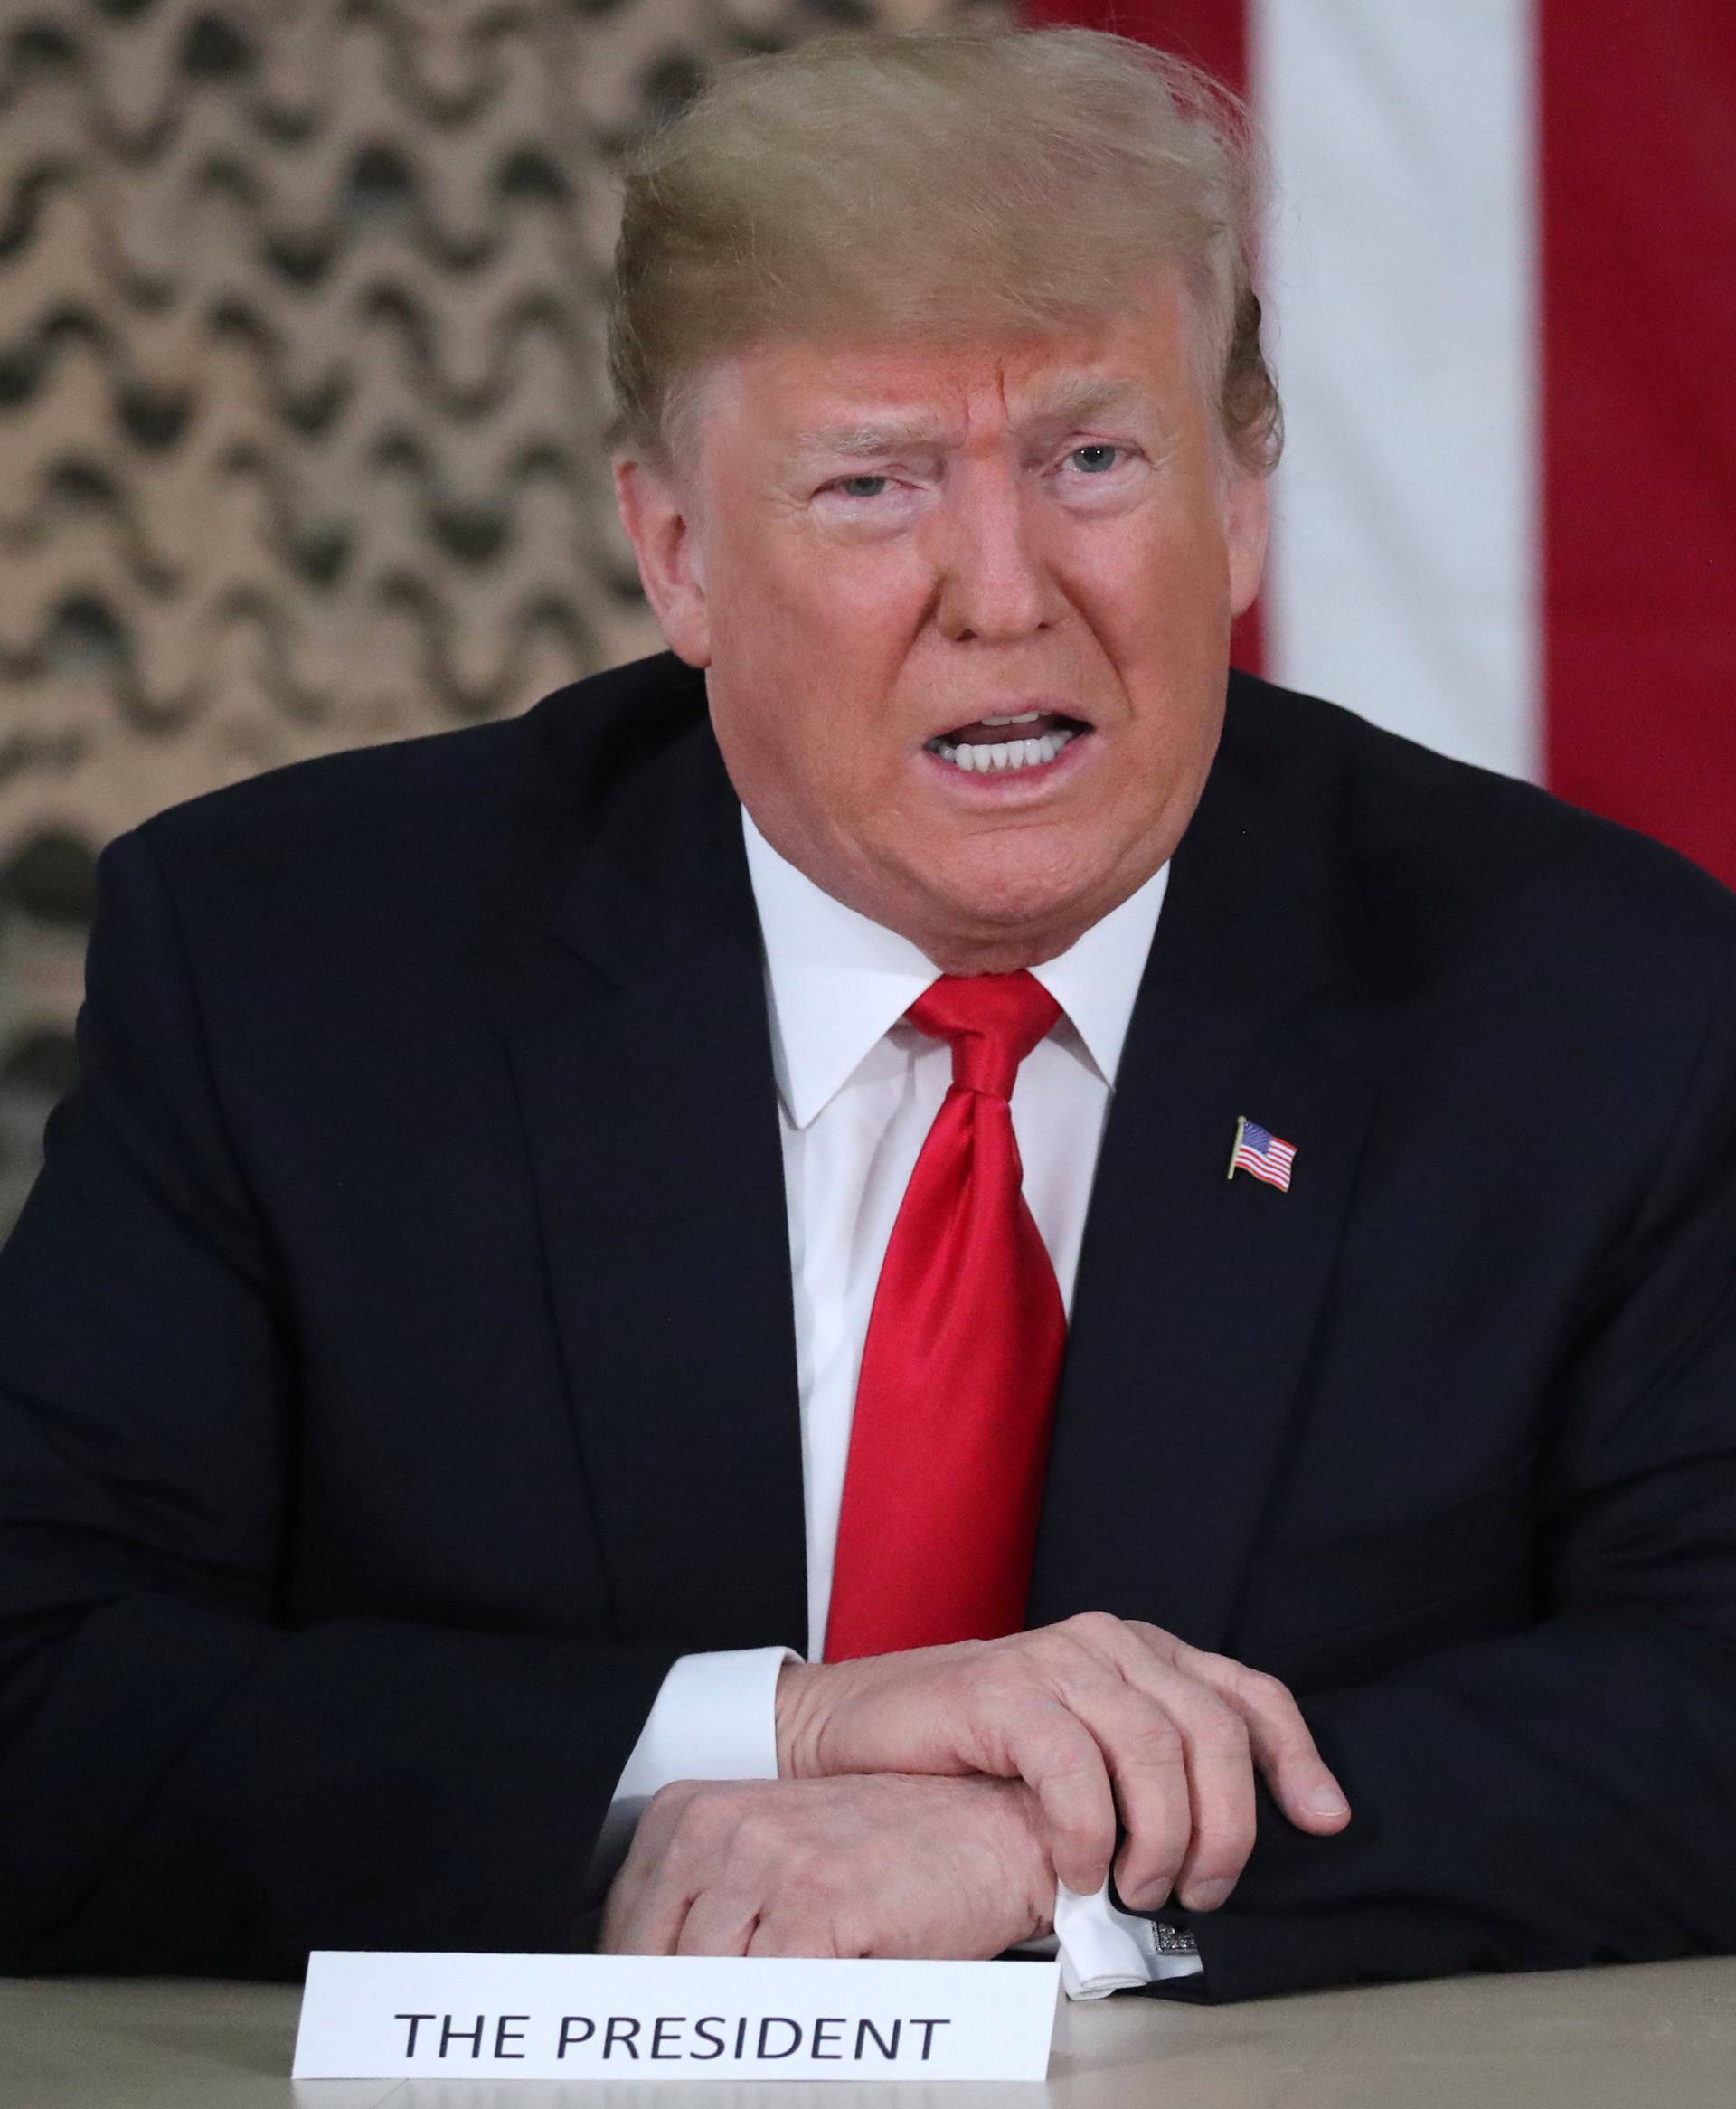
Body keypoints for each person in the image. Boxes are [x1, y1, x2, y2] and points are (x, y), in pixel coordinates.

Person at [2, 28, 1734, 2005]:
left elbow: (1707, 1692)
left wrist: (1035, 1844)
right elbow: (42, 1683)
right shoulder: (295, 974)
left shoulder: (1595, 1003)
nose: (1003, 594)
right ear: (676, 553)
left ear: (1242, 503)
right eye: (871, 484)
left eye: (1093, 457)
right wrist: (777, 1741)